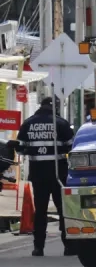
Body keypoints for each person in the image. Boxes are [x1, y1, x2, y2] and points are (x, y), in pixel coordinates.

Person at [7, 97, 76, 256]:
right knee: (63, 210)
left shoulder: (28, 123)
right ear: (55, 107)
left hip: (38, 175)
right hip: (58, 175)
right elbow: (72, 147)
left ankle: (38, 247)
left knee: (40, 212)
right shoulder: (61, 124)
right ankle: (69, 246)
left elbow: (21, 149)